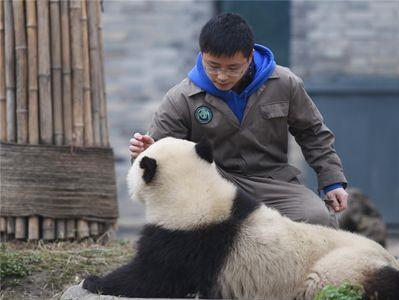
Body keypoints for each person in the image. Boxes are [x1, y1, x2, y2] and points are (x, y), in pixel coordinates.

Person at [129, 13, 348, 228]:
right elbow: (158, 158)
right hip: (212, 182)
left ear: (250, 57)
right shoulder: (181, 98)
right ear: (202, 54)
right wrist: (144, 153)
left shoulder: (285, 83)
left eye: (233, 68)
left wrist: (332, 181)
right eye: (213, 66)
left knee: (318, 218)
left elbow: (313, 133)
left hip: (272, 181)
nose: (222, 76)